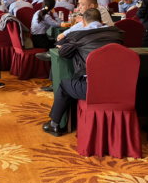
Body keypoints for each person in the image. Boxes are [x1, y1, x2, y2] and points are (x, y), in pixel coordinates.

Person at [43, 8, 124, 136]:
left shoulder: (79, 35)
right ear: (101, 22)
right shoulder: (118, 34)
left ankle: (54, 125)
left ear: (84, 23)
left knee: (64, 85)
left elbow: (63, 53)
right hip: (119, 88)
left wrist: (63, 46)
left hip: (92, 89)